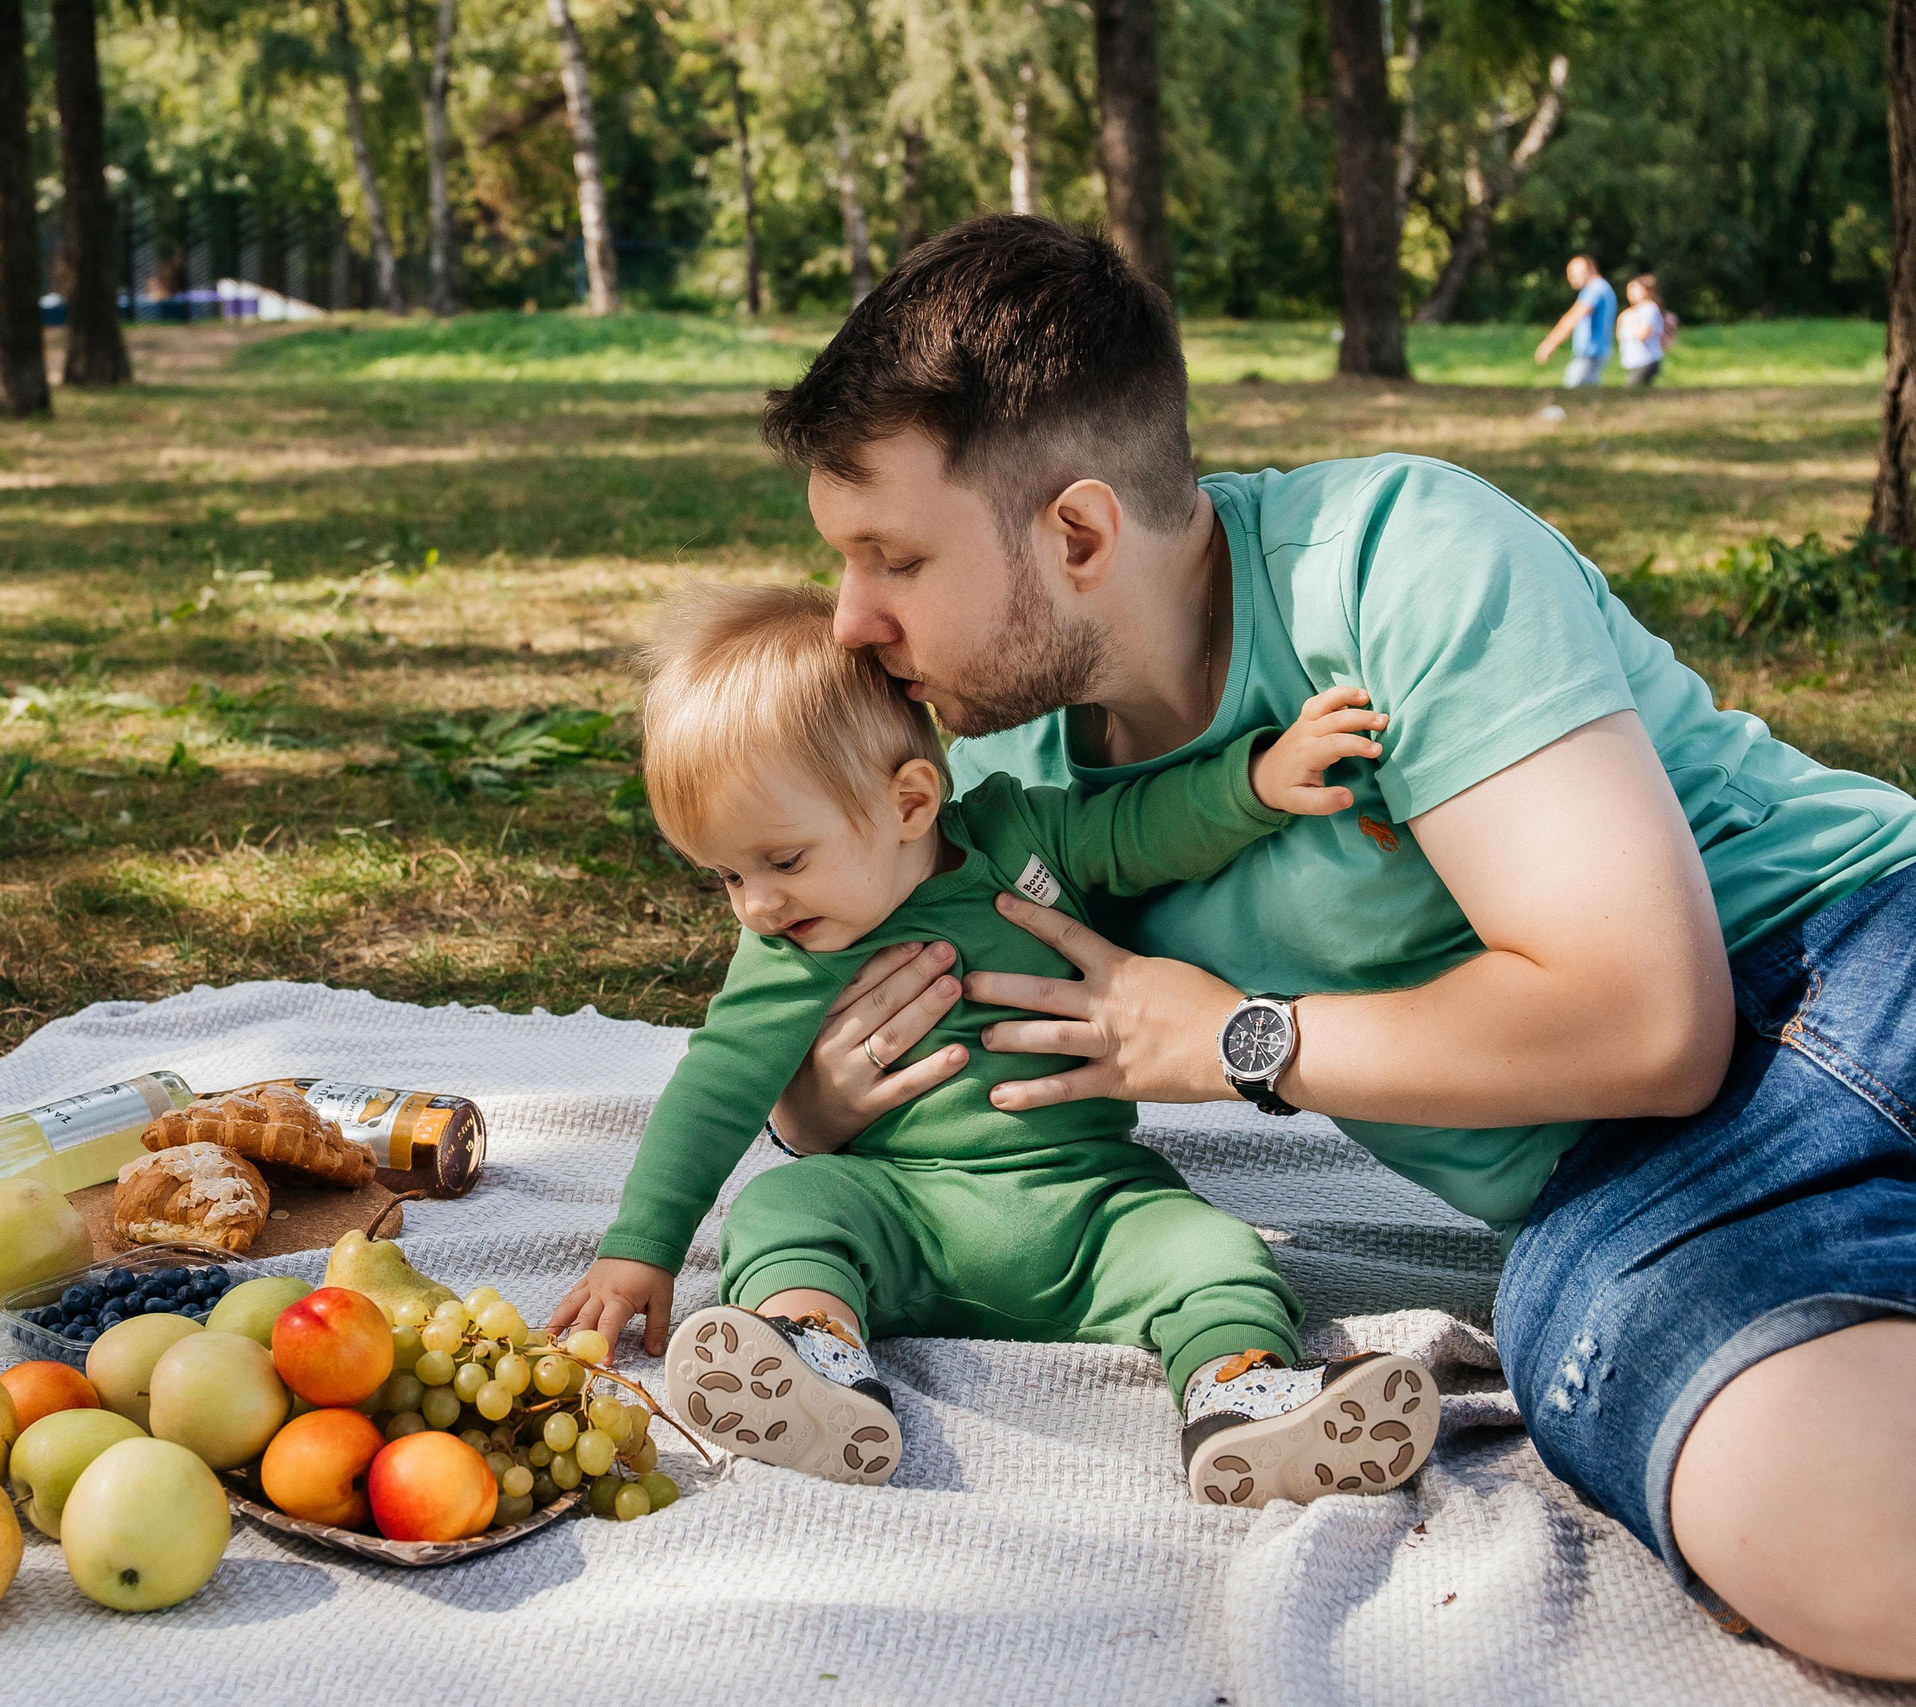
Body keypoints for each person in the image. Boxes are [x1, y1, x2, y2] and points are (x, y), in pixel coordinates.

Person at [752, 215, 1916, 1679]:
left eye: (891, 556)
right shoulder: (1006, 790)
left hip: (1865, 953)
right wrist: (824, 1096)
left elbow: (1650, 1018)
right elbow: (832, 1059)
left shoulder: (1393, 560)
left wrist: (1239, 1036)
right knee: (1853, 1549)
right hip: (1630, 1188)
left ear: (1081, 534)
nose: (850, 619)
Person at [549, 582, 1441, 1503]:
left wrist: (1253, 783)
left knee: (1212, 1250)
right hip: (902, 1213)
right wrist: (642, 1246)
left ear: (910, 802)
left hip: (1090, 1207)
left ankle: (1239, 1397)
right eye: (727, 875)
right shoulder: (788, 949)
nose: (758, 905)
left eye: (782, 860)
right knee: (788, 1206)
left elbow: (1142, 829)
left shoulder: (1024, 836)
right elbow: (716, 1087)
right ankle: (811, 1355)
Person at [1534, 254, 1617, 386]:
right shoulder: (1603, 288)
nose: (1570, 278)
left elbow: (1574, 316)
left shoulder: (1595, 289)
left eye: (1574, 273)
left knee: (1573, 394)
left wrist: (1550, 343)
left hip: (1590, 354)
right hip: (1598, 352)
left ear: (1590, 269)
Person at [1616, 275, 1671, 387]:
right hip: (1632, 360)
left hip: (1645, 360)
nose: (1630, 293)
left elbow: (1643, 334)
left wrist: (1632, 320)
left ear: (1646, 290)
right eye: (1629, 290)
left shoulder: (1649, 309)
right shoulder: (1633, 311)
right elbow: (1620, 337)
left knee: (1633, 392)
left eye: (1635, 289)